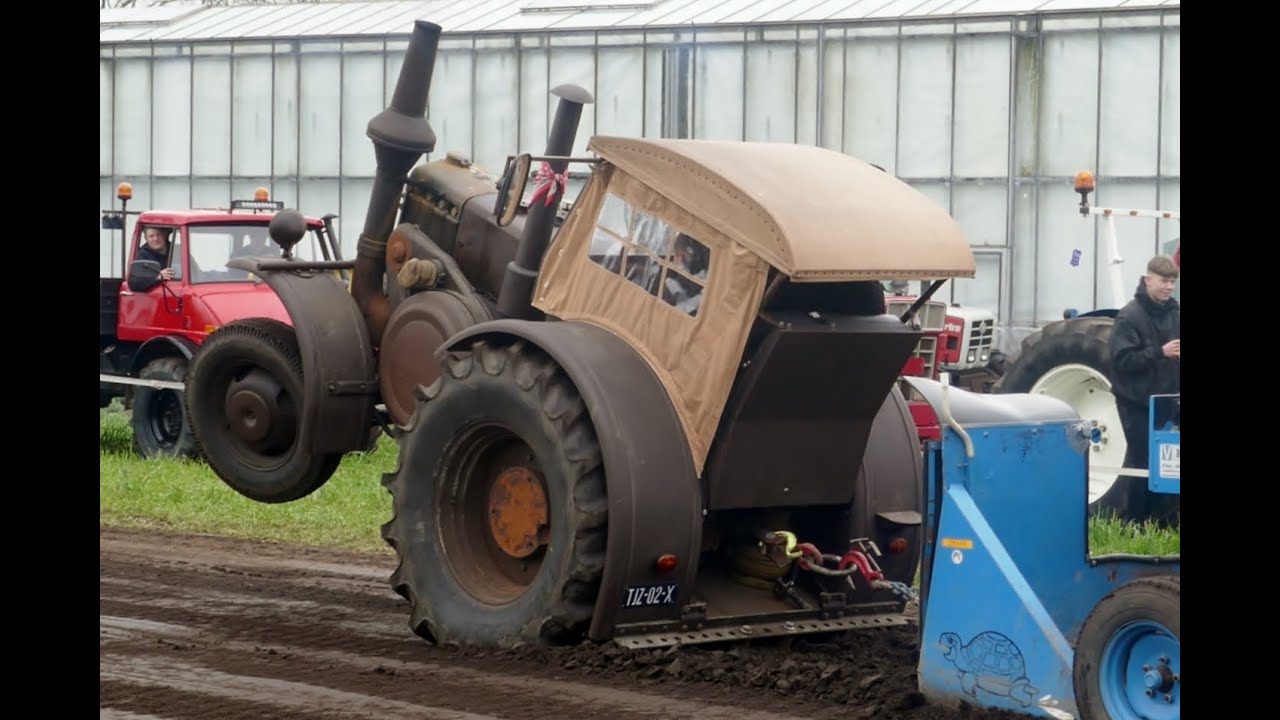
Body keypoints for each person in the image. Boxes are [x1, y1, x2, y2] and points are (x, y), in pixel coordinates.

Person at [1100, 254, 1180, 524]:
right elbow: (1122, 362)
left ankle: (1165, 523)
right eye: (1164, 281)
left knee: (1169, 464)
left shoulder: (1175, 312)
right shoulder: (1129, 316)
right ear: (1148, 280)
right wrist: (1159, 352)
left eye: (1172, 282)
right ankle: (1133, 523)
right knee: (1142, 463)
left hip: (1168, 401)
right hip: (1136, 403)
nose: (1169, 287)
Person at [128, 226, 175, 291]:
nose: (156, 238)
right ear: (146, 239)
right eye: (151, 236)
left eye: (158, 234)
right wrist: (157, 278)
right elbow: (134, 283)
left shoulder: (177, 250)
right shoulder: (143, 255)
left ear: (164, 235)